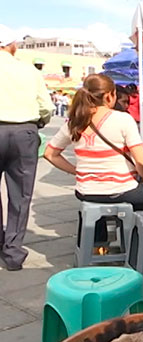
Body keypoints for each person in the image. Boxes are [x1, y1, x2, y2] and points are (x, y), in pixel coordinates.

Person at [44, 74, 143, 213]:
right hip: (120, 189)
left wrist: (77, 171)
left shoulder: (74, 123)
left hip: (84, 191)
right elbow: (142, 163)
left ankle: (96, 234)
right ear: (109, 96)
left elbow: (50, 154)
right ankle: (140, 233)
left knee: (97, 212)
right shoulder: (123, 119)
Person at [0, 27, 55, 271]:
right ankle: (12, 252)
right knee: (20, 194)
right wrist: (38, 122)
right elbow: (46, 107)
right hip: (24, 131)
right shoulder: (29, 70)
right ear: (11, 45)